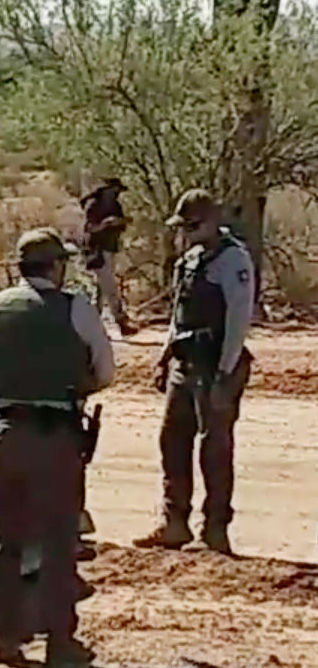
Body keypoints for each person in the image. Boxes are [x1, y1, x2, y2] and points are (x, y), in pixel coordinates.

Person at [0, 227, 115, 668]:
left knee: (3, 543)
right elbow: (105, 371)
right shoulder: (75, 309)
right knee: (58, 542)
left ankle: (6, 643)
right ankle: (59, 642)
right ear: (55, 267)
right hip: (56, 437)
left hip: (4, 436)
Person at [133, 189, 255, 555]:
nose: (187, 231)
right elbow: (178, 314)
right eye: (183, 225)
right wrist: (164, 355)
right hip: (184, 363)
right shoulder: (188, 261)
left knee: (214, 449)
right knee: (172, 441)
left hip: (214, 364)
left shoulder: (234, 261)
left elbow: (238, 320)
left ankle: (214, 530)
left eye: (194, 224)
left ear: (214, 221)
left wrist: (225, 372)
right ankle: (175, 522)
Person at [80, 177, 137, 337]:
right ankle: (120, 322)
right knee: (109, 288)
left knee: (100, 289)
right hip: (96, 250)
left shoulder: (115, 205)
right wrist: (106, 224)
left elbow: (122, 224)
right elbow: (89, 228)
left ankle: (91, 327)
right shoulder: (94, 205)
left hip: (109, 249)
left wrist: (120, 222)